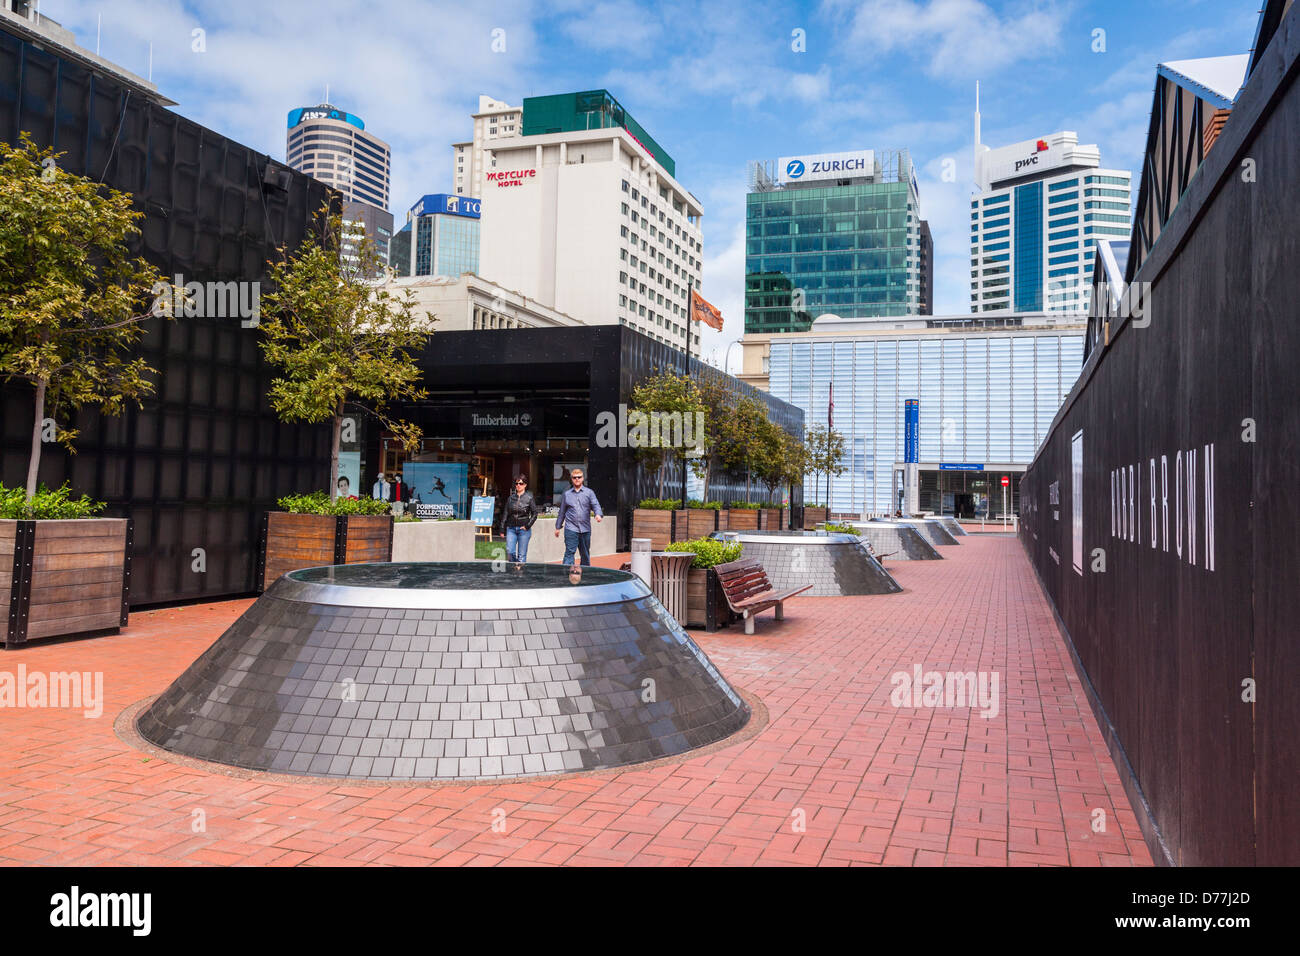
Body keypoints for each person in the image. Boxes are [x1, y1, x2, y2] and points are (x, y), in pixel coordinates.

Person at [553, 467, 603, 567]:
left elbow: (596, 505)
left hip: (585, 529)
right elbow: (562, 512)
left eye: (579, 477)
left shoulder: (589, 493)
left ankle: (585, 576)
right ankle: (566, 575)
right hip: (571, 529)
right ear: (571, 479)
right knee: (569, 553)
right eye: (574, 477)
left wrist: (598, 514)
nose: (577, 479)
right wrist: (558, 527)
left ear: (582, 478)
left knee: (585, 554)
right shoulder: (567, 494)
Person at [503, 475, 538, 563]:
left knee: (522, 556)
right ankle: (514, 568)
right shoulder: (510, 498)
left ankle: (519, 575)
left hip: (524, 529)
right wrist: (502, 527)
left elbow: (535, 513)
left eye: (521, 483)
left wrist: (527, 526)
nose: (518, 485)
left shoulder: (529, 498)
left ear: (525, 485)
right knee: (510, 552)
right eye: (516, 483)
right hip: (511, 528)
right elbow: (505, 513)